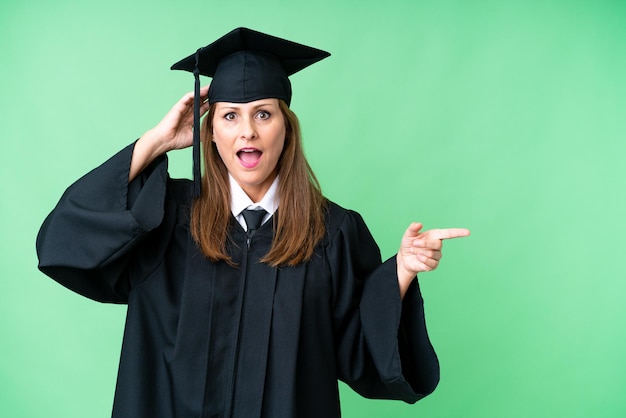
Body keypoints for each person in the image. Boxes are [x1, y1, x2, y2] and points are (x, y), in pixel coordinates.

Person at [36, 27, 470, 418]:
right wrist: (155, 143)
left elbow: (359, 355)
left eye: (263, 113)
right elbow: (63, 243)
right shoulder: (166, 218)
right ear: (210, 133)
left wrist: (400, 274)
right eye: (229, 116)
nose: (247, 132)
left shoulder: (332, 234)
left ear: (287, 128)